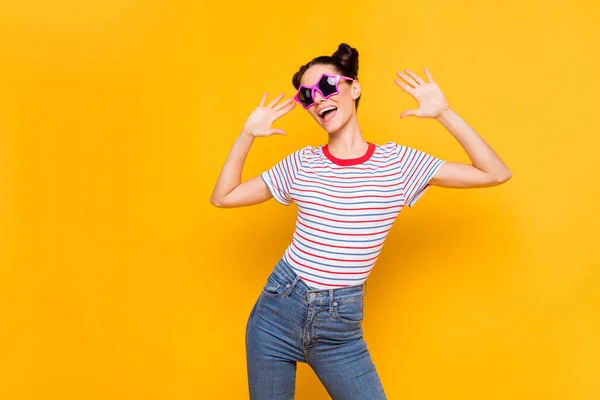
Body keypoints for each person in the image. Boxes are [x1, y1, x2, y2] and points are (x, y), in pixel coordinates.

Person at [210, 43, 511, 399]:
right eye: (307, 96)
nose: (318, 99)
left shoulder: (397, 164)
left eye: (326, 86)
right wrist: (246, 135)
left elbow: (494, 172)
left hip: (339, 327)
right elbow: (223, 197)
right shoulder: (302, 164)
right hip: (277, 312)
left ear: (354, 87)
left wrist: (444, 113)